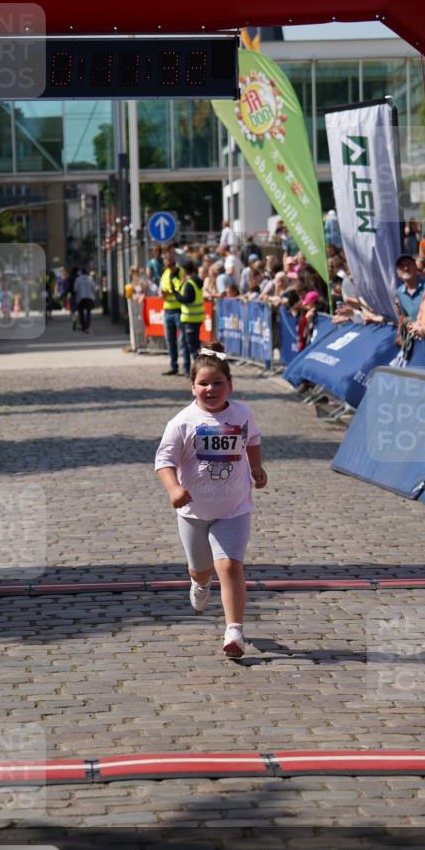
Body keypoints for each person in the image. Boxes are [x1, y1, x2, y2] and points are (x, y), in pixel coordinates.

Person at [155, 341, 267, 658]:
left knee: (230, 566)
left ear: (230, 385)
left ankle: (234, 631)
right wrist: (174, 489)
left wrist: (256, 467)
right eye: (203, 383)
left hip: (234, 507)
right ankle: (200, 584)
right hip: (193, 511)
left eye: (218, 383)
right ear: (192, 387)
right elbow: (163, 461)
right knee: (201, 569)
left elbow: (253, 439)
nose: (211, 388)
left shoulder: (243, 413)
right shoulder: (182, 422)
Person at [160, 246, 187, 376]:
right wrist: (167, 293)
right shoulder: (165, 274)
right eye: (165, 260)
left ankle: (186, 367)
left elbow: (179, 289)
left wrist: (169, 292)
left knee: (182, 340)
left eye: (168, 259)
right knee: (169, 340)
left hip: (178, 310)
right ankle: (173, 366)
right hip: (167, 311)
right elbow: (162, 290)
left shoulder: (181, 272)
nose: (167, 262)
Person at [174, 260, 205, 363]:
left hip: (190, 318)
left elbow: (187, 299)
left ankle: (200, 368)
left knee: (192, 346)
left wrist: (176, 295)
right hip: (196, 317)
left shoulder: (190, 284)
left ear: (184, 271)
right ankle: (198, 367)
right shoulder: (196, 281)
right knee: (195, 344)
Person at [395, 254, 425, 324]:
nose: (406, 268)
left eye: (408, 264)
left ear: (416, 267)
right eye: (401, 266)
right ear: (398, 272)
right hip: (415, 332)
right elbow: (406, 317)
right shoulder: (399, 292)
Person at [74, 267, 97, 333]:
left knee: (81, 313)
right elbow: (93, 288)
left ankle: (83, 326)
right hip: (89, 298)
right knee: (88, 313)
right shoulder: (90, 279)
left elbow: (75, 289)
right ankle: (87, 326)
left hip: (80, 298)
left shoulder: (78, 279)